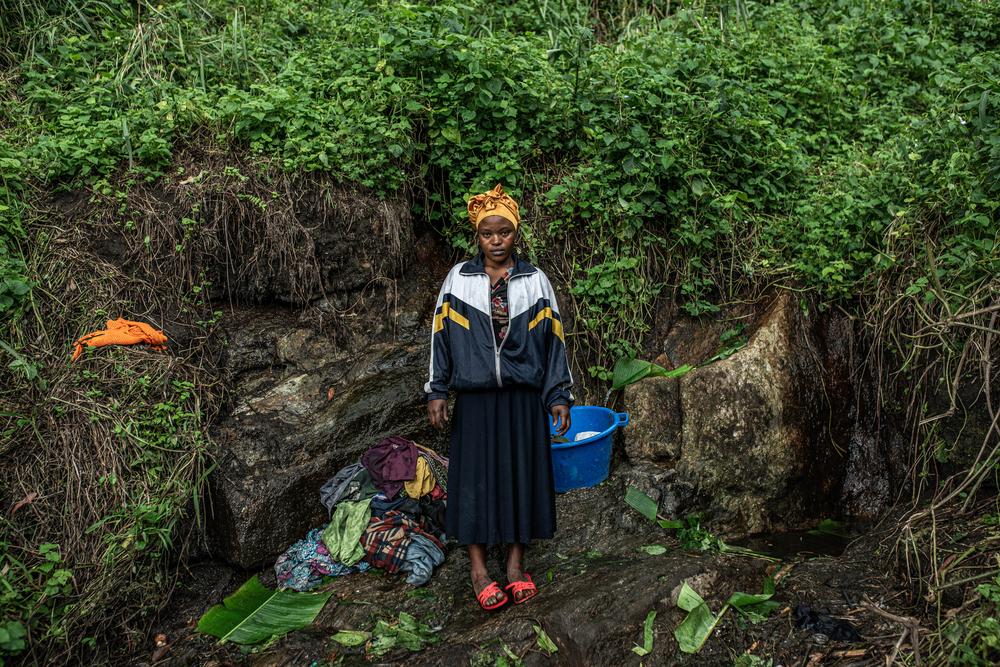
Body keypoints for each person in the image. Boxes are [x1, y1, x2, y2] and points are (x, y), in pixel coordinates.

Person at [425, 184, 573, 611]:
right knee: (474, 481)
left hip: (523, 399)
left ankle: (513, 566)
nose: (495, 240)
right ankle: (478, 570)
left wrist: (558, 394)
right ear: (478, 235)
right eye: (488, 233)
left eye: (503, 233)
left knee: (521, 478)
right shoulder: (459, 279)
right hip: (475, 400)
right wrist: (437, 389)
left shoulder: (535, 281)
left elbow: (554, 342)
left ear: (515, 235)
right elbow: (440, 338)